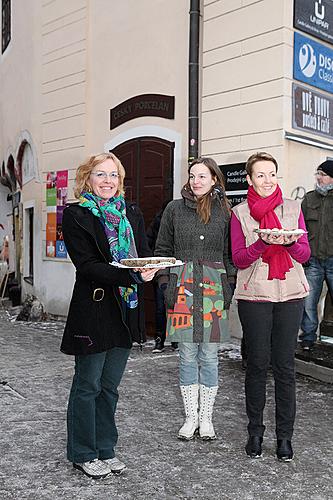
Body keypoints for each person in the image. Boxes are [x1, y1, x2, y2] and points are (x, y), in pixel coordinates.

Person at [60, 152, 159, 479]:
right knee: (87, 385)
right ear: (88, 178)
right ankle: (83, 452)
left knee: (110, 386)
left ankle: (105, 447)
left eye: (113, 175)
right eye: (100, 175)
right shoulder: (77, 215)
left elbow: (141, 253)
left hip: (125, 309)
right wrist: (132, 276)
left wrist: (150, 268)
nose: (107, 181)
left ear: (120, 180)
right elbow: (87, 266)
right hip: (94, 309)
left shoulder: (130, 212)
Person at [231, 152, 310, 462]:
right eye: (260, 175)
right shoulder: (239, 213)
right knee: (257, 366)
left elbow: (304, 255)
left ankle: (285, 438)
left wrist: (289, 242)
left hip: (291, 294)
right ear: (249, 179)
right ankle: (255, 432)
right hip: (255, 296)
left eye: (272, 174)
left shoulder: (293, 208)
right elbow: (238, 259)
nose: (267, 180)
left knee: (285, 368)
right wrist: (263, 242)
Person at [155, 157, 236, 441]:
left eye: (203, 176)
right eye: (193, 175)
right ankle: (191, 418)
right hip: (183, 286)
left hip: (214, 286)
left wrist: (229, 286)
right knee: (187, 355)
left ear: (214, 179)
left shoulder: (226, 211)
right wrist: (166, 283)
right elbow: (163, 247)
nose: (196, 181)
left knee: (210, 357)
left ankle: (207, 419)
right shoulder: (174, 209)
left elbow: (230, 254)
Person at [300, 159, 333, 351]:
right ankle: (308, 336)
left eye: (323, 174)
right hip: (312, 261)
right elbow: (301, 228)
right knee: (308, 301)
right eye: (318, 174)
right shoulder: (309, 198)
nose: (319, 178)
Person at [146, 202, 178, 353]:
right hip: (160, 269)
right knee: (160, 306)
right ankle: (159, 339)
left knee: (177, 306)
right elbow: (148, 242)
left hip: (178, 269)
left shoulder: (182, 221)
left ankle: (176, 339)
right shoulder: (158, 222)